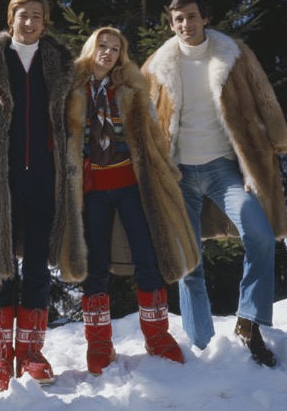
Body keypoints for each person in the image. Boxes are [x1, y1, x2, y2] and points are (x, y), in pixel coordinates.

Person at [142, 0, 287, 367]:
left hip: (223, 170)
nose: (185, 25)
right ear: (171, 24)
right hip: (178, 176)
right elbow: (141, 119)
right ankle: (202, 346)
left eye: (191, 17)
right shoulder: (156, 67)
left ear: (204, 18)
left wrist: (274, 144)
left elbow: (265, 99)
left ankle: (249, 322)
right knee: (189, 265)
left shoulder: (233, 55)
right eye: (178, 19)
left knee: (259, 235)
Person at [0, 0, 85, 391]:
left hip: (45, 176)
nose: (29, 22)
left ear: (45, 21)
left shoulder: (61, 64)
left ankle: (30, 353)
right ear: (10, 16)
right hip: (0, 176)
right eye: (22, 14)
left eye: (36, 15)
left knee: (35, 263)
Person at [64, 27, 200, 374]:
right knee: (94, 268)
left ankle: (157, 337)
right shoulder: (70, 89)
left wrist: (167, 172)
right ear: (91, 48)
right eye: (102, 46)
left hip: (130, 185)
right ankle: (98, 346)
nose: (108, 53)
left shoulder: (132, 89)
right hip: (91, 189)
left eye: (115, 48)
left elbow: (153, 136)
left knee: (147, 258)